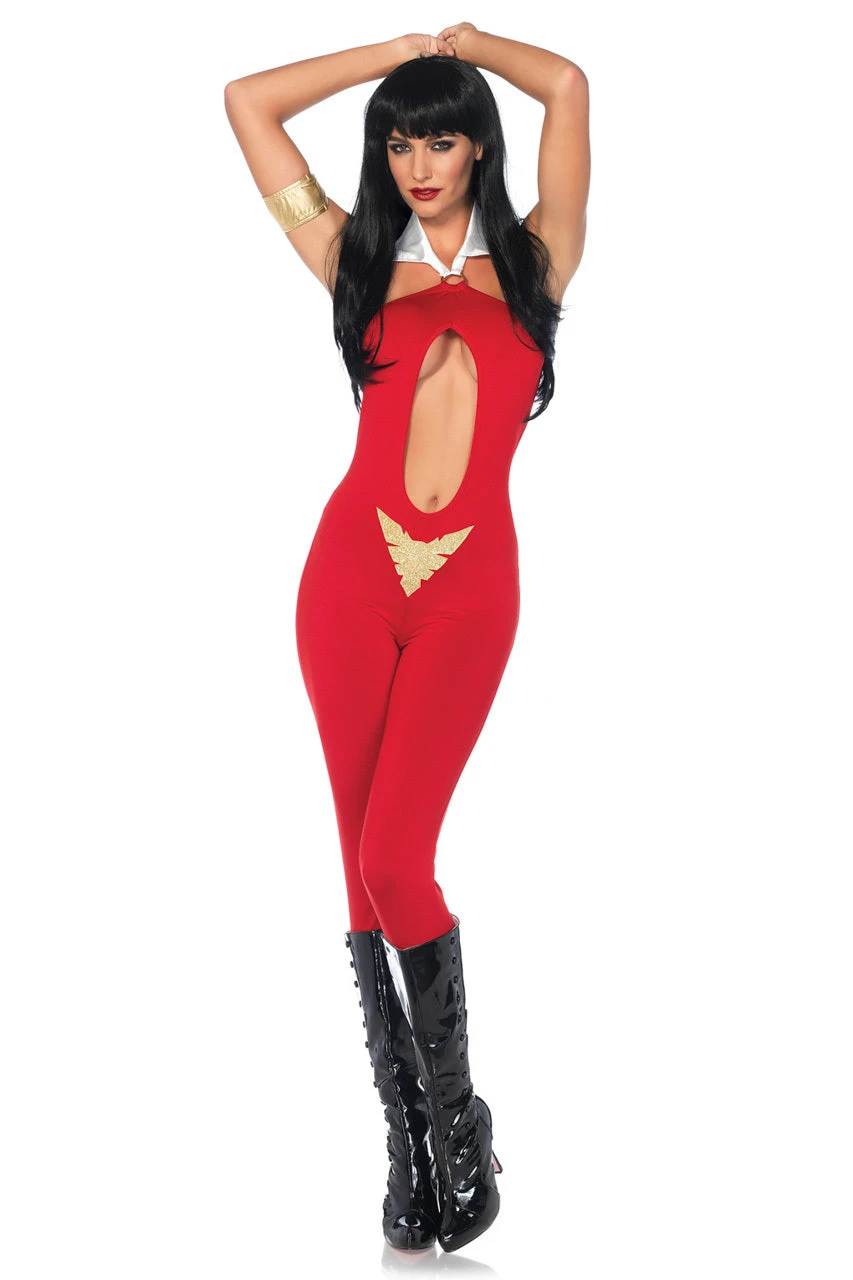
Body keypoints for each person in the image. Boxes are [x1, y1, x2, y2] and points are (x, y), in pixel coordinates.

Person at [224, 24, 590, 1254]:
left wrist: (467, 44)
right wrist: (386, 54)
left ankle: (458, 1117)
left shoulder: (538, 261)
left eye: (438, 139)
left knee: (397, 855)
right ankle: (404, 1140)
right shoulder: (352, 263)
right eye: (397, 143)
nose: (417, 164)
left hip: (467, 593)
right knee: (357, 867)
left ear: (477, 144)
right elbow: (247, 101)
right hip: (345, 582)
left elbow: (568, 85)